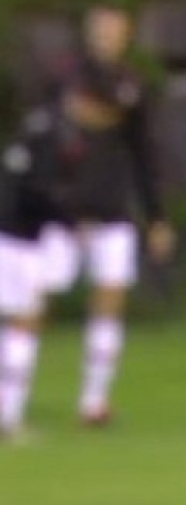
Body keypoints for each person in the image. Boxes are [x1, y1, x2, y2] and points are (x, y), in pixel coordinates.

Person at [48, 4, 175, 427]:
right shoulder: (66, 77)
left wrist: (156, 217)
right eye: (100, 31)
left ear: (125, 36)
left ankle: (94, 401)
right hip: (62, 214)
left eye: (114, 32)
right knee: (30, 300)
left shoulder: (132, 86)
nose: (106, 38)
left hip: (112, 210)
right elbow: (47, 140)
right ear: (89, 33)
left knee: (110, 297)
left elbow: (144, 154)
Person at [0, 106, 64, 442]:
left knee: (12, 325)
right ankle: (10, 418)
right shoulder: (46, 148)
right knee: (25, 325)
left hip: (5, 238)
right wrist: (70, 218)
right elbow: (40, 198)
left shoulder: (17, 147)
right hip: (24, 247)